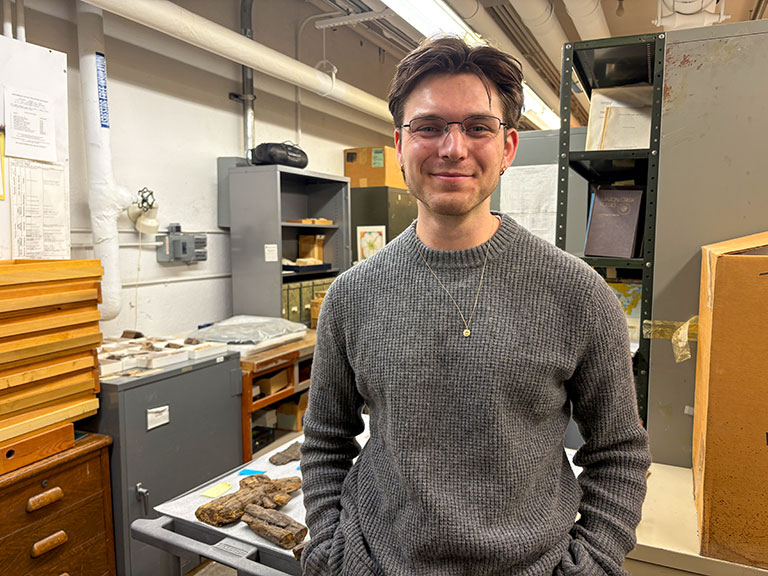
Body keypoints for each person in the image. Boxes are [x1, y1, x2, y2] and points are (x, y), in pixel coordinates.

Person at [300, 36, 650, 576]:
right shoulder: (352, 295)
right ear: (400, 144)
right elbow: (325, 440)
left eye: (478, 127)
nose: (453, 147)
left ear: (508, 147)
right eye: (429, 126)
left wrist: (591, 564)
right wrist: (330, 555)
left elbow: (620, 452)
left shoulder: (578, 294)